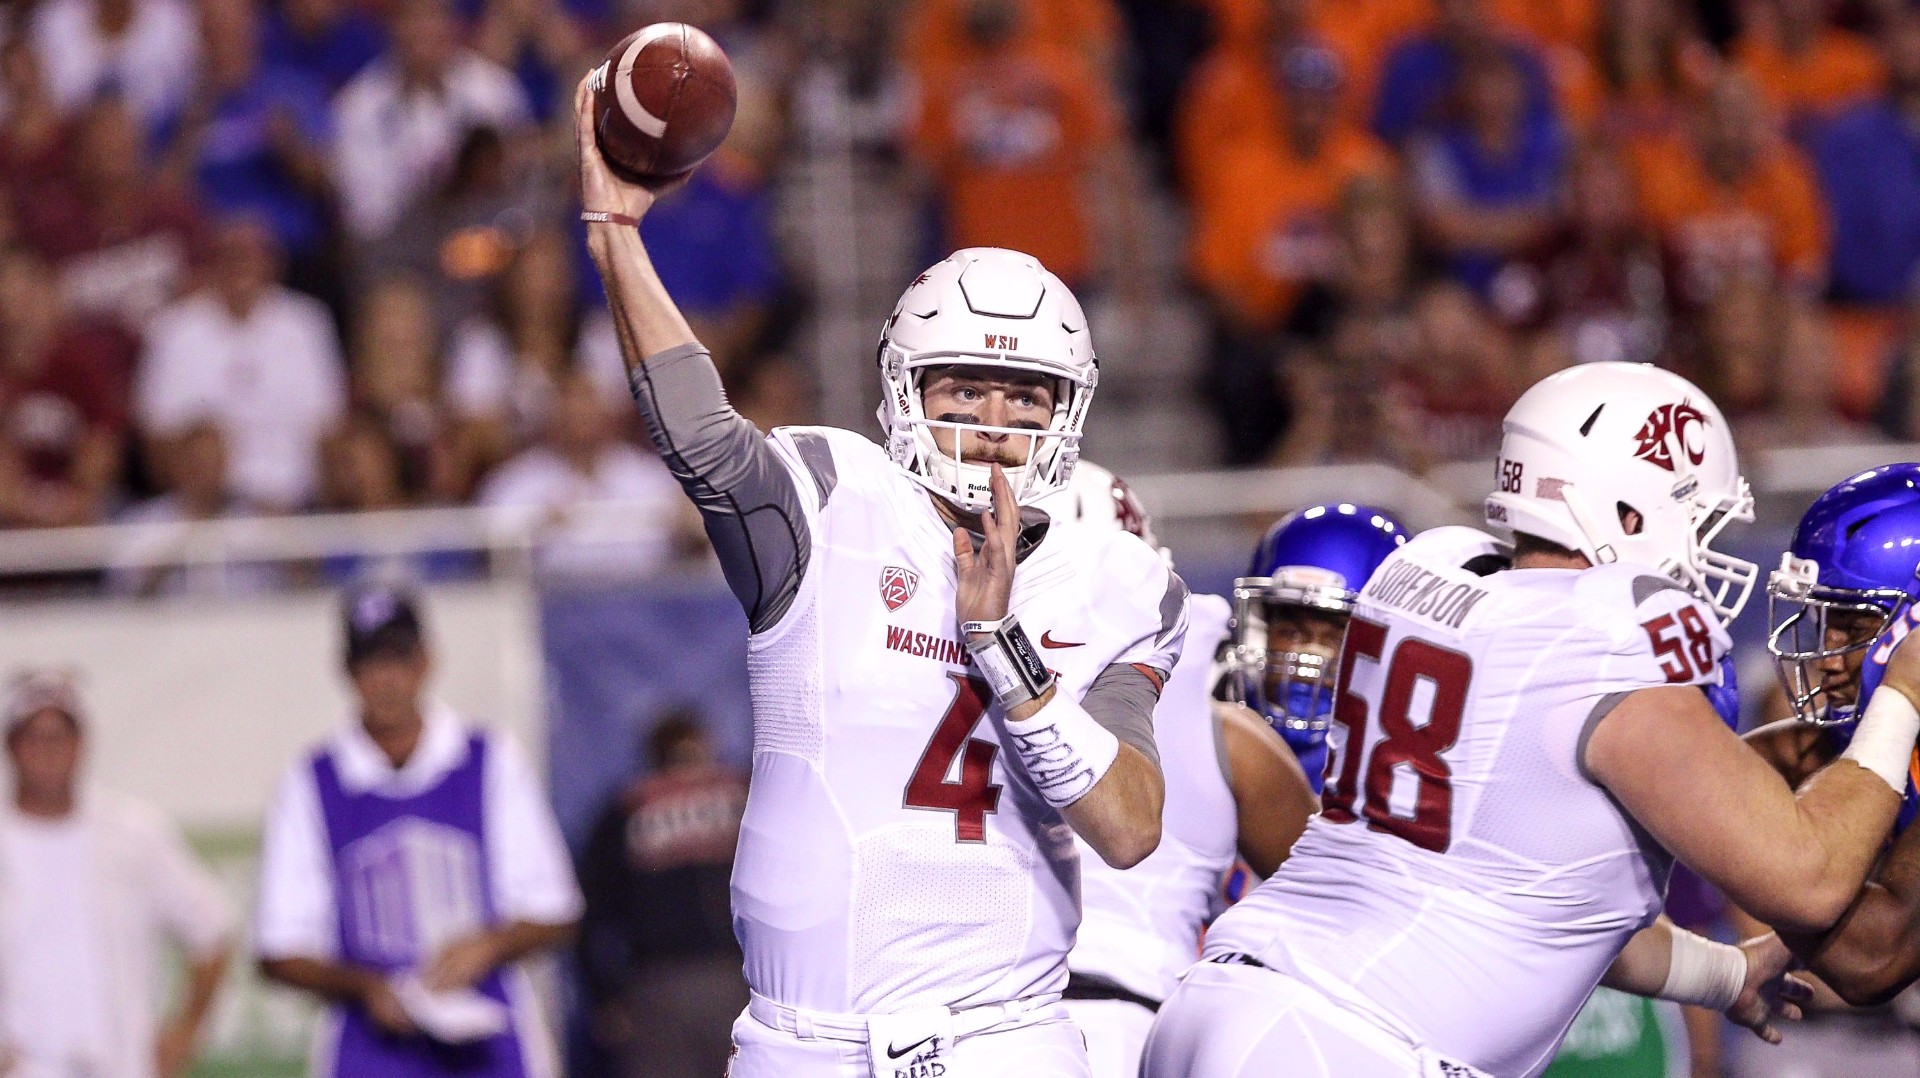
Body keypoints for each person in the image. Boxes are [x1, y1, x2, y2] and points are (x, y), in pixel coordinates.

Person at [574, 68, 1185, 1077]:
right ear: (905, 392)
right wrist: (616, 235)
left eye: (1024, 396)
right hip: (800, 1041)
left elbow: (1127, 825)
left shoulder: (1120, 576)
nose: (993, 423)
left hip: (1007, 1036)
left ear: (1066, 411)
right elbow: (699, 436)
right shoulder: (830, 500)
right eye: (964, 388)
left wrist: (1006, 652)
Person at [1143, 360, 1918, 1077]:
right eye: (1697, 521)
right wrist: (1903, 690)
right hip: (1348, 1041)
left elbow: (1546, 904)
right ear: (1628, 510)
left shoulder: (1431, 569)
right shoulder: (1609, 634)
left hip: (1229, 1010)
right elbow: (1811, 882)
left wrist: (1726, 974)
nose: (1700, 555)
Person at [1049, 462, 1317, 1078]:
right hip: (1138, 1025)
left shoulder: (940, 687)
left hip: (971, 1024)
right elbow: (1335, 908)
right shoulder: (1222, 728)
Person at [254, 586, 582, 1077]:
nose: (386, 679)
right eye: (370, 663)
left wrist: (487, 946)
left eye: (398, 658)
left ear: (427, 660)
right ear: (346, 670)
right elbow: (278, 948)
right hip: (368, 1049)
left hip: (489, 1044)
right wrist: (366, 987)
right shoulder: (313, 782)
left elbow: (556, 912)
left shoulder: (488, 760)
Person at [1716, 465, 1920, 1074]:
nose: (1826, 657)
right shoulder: (1820, 744)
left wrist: (1719, 827)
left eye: (1855, 628)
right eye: (1826, 621)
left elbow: (1874, 958)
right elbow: (1765, 758)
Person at [0, 670, 235, 1078]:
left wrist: (184, 1033)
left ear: (81, 743)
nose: (48, 750)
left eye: (61, 736)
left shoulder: (133, 833)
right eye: (34, 736)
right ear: (11, 746)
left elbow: (213, 930)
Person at [576, 713, 749, 1078]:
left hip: (659, 991)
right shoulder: (743, 794)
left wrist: (604, 998)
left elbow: (588, 914)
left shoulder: (627, 809)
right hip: (737, 984)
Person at [1225, 502, 1417, 790]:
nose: (1308, 656)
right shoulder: (1213, 721)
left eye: (1337, 636)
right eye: (1290, 631)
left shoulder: (1402, 769)